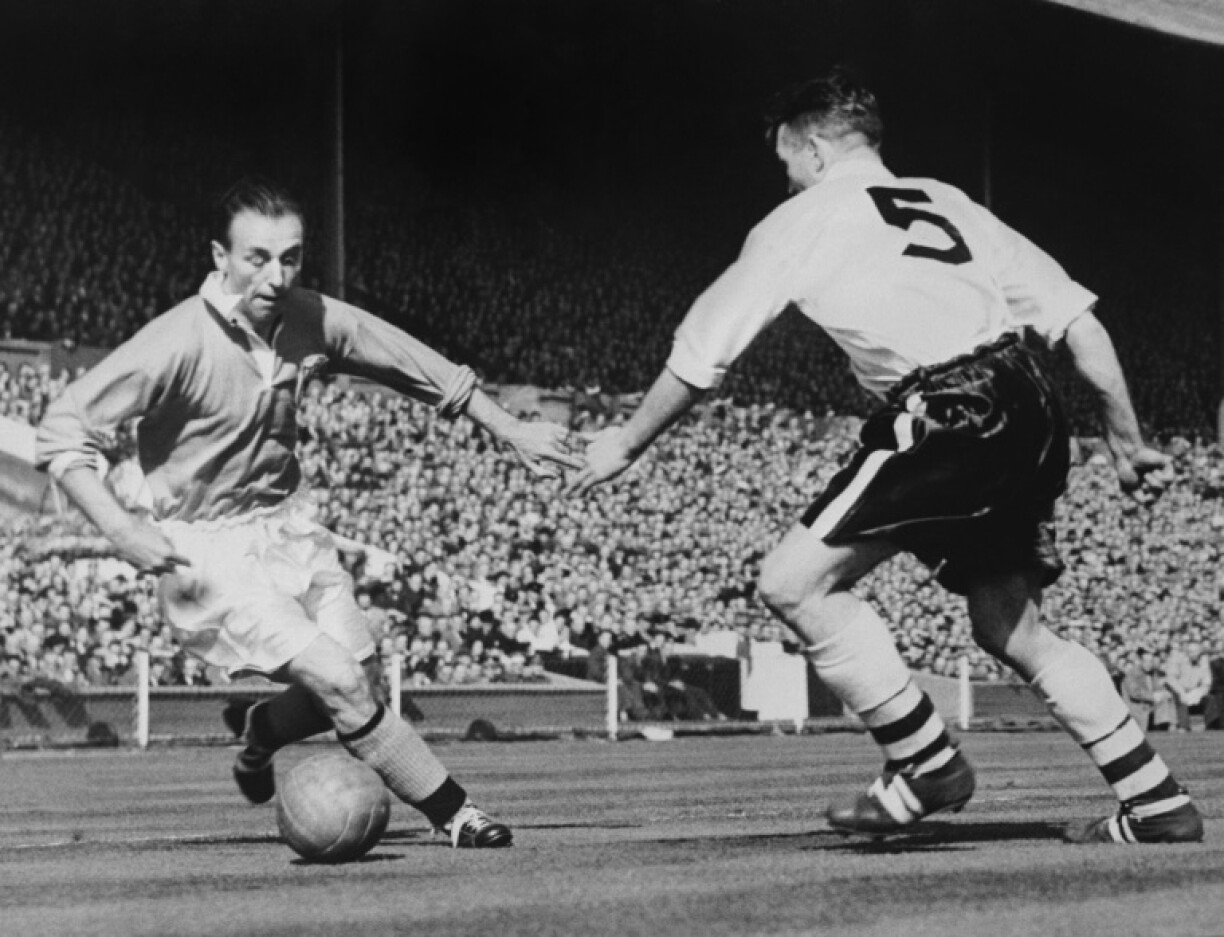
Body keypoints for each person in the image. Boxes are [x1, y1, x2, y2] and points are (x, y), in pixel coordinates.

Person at [571, 70, 1202, 845]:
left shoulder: (799, 220)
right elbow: (1081, 325)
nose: (789, 176)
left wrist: (625, 441)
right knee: (1013, 627)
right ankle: (1157, 800)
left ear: (813, 148)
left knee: (793, 581)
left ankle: (925, 763)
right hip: (1033, 407)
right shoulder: (948, 201)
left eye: (788, 161)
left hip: (948, 404)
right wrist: (1127, 441)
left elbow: (704, 354)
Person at [36, 177, 582, 849]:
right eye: (257, 257)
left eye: (290, 257)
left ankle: (262, 729)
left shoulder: (311, 316)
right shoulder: (176, 340)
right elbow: (62, 427)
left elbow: (420, 365)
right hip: (205, 550)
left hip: (288, 528)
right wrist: (122, 528)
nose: (275, 274)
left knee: (357, 678)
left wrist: (513, 429)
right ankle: (457, 813)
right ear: (220, 257)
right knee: (343, 680)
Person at [1164, 640, 1212, 732]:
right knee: (1180, 698)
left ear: (1200, 651)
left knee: (1211, 699)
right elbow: (1171, 679)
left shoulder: (1204, 661)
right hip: (1177, 687)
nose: (1192, 654)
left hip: (1194, 689)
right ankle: (1184, 726)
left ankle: (1210, 726)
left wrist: (1197, 693)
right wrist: (1182, 693)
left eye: (1195, 651)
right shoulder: (1177, 658)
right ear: (1186, 651)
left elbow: (1207, 683)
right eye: (1190, 651)